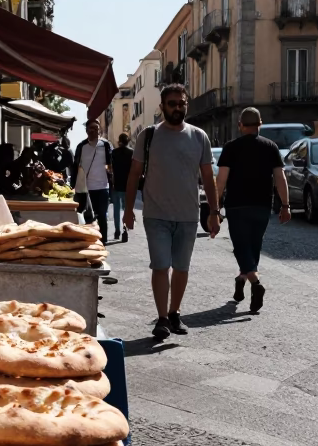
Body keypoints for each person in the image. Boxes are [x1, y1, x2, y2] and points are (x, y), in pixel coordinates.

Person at [123, 84, 219, 341]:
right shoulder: (149, 135)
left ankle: (175, 312)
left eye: (182, 103)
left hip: (188, 214)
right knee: (160, 266)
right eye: (172, 103)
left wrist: (214, 212)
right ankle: (162, 318)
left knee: (181, 267)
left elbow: (208, 178)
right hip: (156, 214)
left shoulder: (199, 137)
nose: (178, 108)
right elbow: (134, 174)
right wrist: (128, 209)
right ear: (162, 107)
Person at [216, 107, 291, 313]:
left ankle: (256, 284)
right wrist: (285, 205)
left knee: (241, 247)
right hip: (262, 205)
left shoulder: (231, 147)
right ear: (260, 125)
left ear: (240, 125)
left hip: (237, 205)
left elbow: (221, 180)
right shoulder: (270, 146)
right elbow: (280, 178)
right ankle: (241, 279)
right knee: (253, 246)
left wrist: (215, 206)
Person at [71, 120, 112, 244]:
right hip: (86, 189)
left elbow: (110, 165)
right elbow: (75, 166)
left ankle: (103, 241)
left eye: (96, 128)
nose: (93, 131)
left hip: (103, 187)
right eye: (91, 128)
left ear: (99, 130)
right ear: (86, 130)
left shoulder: (105, 145)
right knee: (87, 216)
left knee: (102, 216)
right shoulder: (81, 146)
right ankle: (89, 241)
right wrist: (73, 185)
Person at [110, 132, 132, 242]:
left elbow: (111, 169)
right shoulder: (131, 153)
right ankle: (125, 230)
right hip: (127, 186)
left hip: (116, 184)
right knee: (126, 209)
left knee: (116, 210)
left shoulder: (114, 152)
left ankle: (117, 230)